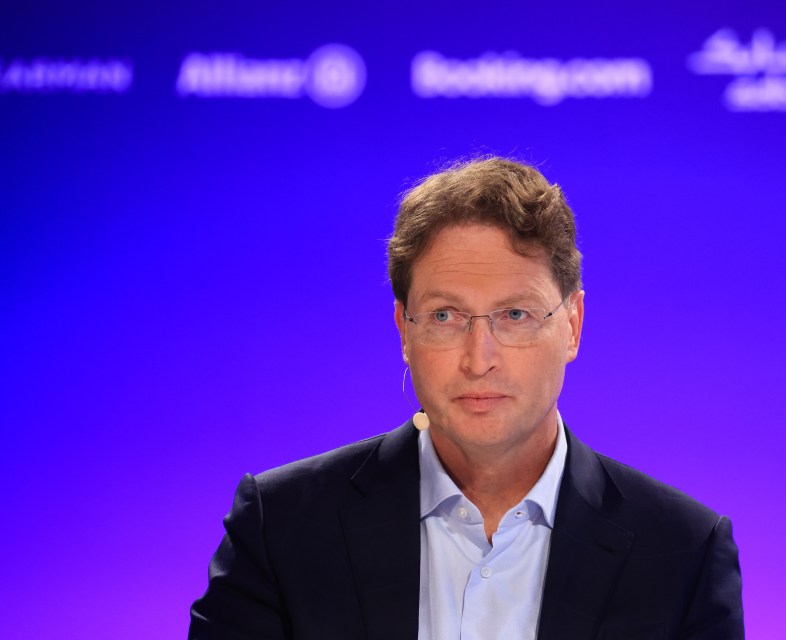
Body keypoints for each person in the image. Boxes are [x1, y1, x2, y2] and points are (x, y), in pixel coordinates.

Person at [189, 157, 744, 639]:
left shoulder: (683, 552)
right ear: (404, 332)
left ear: (572, 325)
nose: (479, 358)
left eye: (515, 315)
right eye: (445, 316)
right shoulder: (281, 526)